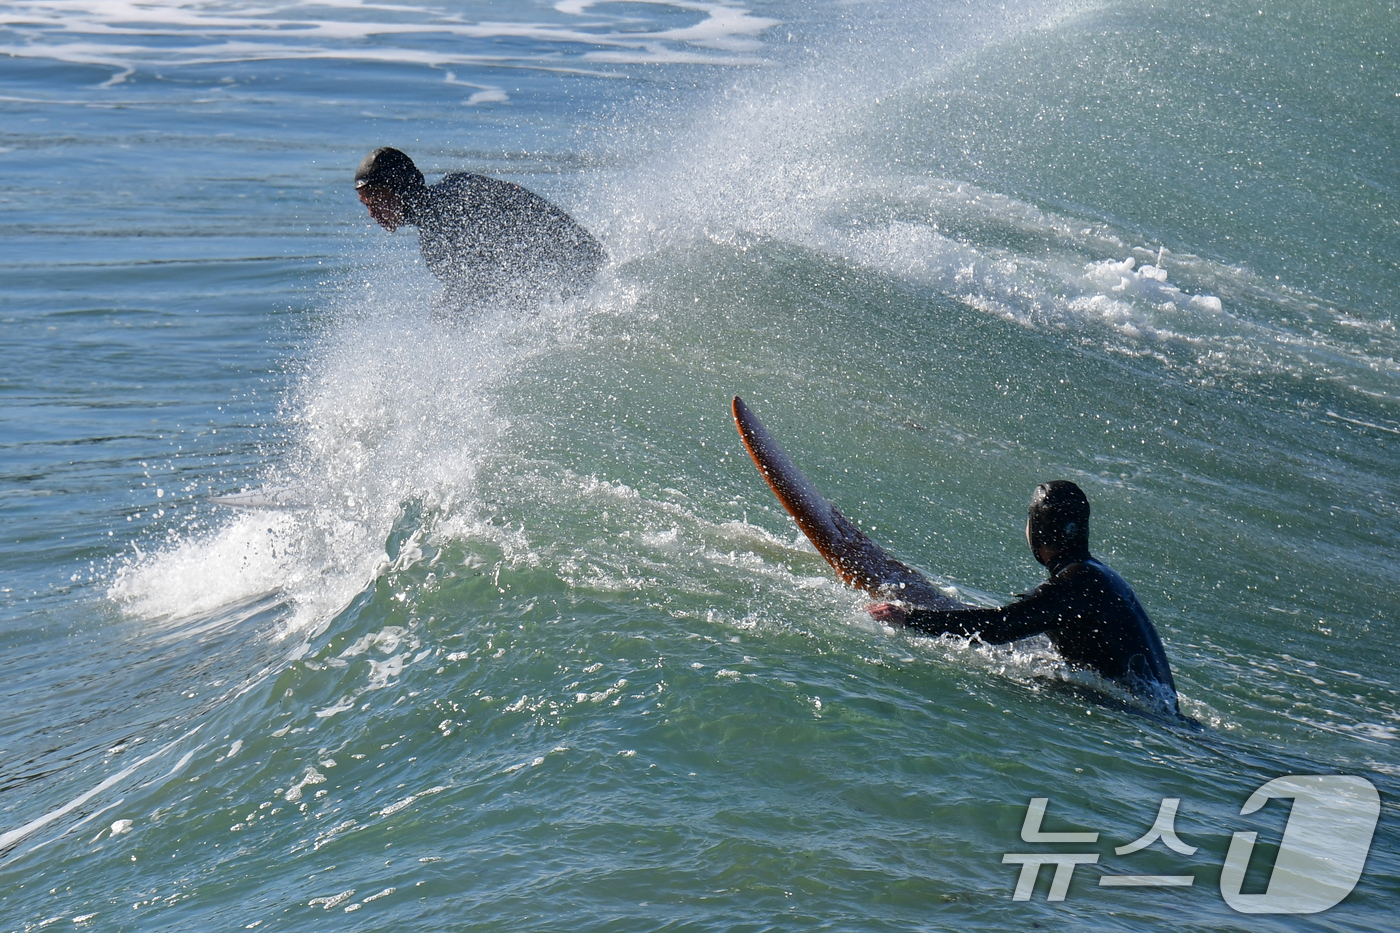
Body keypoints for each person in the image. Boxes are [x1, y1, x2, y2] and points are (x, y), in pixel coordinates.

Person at [868, 481, 1179, 709]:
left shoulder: (1075, 582)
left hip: (1137, 713)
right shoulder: (1101, 575)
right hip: (1154, 707)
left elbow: (1001, 627)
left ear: (1038, 530)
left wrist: (910, 618)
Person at [354, 147, 605, 309]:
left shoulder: (447, 217)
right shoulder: (455, 186)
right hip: (583, 261)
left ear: (401, 187)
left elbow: (531, 213)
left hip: (581, 271)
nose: (372, 213)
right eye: (366, 204)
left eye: (376, 199)